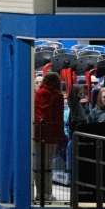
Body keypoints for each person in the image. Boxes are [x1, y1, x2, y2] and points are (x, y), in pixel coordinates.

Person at [34, 71, 65, 202]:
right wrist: (61, 137)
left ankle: (39, 193)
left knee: (38, 165)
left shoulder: (37, 94)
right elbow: (58, 119)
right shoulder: (57, 97)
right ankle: (47, 193)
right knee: (47, 166)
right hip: (50, 134)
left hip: (37, 132)